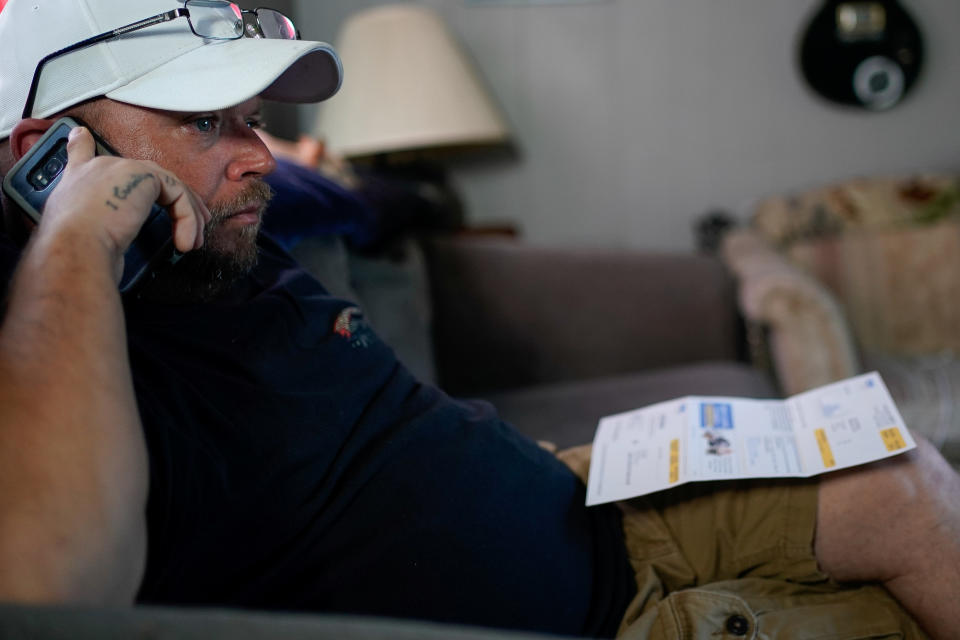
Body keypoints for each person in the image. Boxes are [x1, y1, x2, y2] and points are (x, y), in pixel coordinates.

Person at [0, 1, 957, 638]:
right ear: (53, 153)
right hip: (601, 618)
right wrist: (79, 237)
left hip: (588, 499)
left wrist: (345, 174)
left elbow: (354, 196)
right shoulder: (58, 330)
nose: (254, 155)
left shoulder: (213, 230)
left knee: (907, 472)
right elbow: (45, 589)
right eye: (207, 121)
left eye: (250, 119)